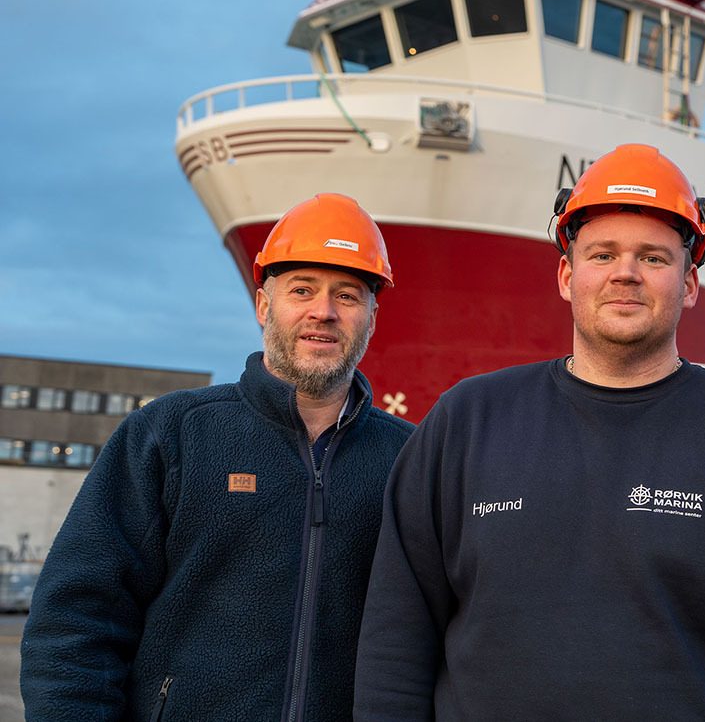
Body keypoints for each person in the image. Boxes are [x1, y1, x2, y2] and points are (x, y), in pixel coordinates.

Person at [354, 144, 705, 720]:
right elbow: (396, 642)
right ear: (568, 276)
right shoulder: (466, 422)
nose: (625, 273)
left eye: (654, 258)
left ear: (690, 284)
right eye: (603, 254)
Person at [21, 193, 413, 721]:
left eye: (347, 295)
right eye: (302, 290)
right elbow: (76, 620)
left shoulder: (409, 457)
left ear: (371, 316)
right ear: (263, 306)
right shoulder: (172, 433)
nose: (323, 312)